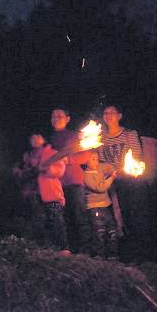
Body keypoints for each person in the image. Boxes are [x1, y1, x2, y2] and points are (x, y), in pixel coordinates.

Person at [99, 104, 146, 255]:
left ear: (119, 115)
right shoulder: (101, 139)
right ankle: (126, 253)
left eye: (112, 112)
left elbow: (137, 156)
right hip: (113, 184)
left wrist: (121, 170)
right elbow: (100, 161)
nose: (108, 116)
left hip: (131, 183)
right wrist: (109, 170)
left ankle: (142, 251)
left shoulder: (129, 134)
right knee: (119, 217)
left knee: (135, 213)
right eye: (105, 113)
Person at [49, 108, 92, 253]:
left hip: (74, 181)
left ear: (68, 119)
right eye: (53, 116)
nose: (56, 119)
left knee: (79, 216)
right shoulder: (50, 139)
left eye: (60, 116)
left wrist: (69, 159)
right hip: (56, 184)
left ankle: (85, 250)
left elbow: (86, 156)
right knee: (63, 217)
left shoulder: (75, 136)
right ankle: (68, 249)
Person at [83, 151, 119, 259]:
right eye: (92, 159)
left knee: (112, 231)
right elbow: (100, 188)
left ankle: (113, 256)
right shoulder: (86, 176)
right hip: (95, 208)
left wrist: (115, 170)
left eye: (97, 159)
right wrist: (111, 178)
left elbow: (108, 167)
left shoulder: (99, 169)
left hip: (105, 206)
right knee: (99, 232)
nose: (96, 161)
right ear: (86, 161)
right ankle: (99, 257)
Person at [37, 143, 70, 256]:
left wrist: (46, 168)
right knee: (41, 222)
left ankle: (63, 247)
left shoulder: (53, 154)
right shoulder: (30, 155)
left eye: (37, 136)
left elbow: (59, 171)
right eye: (32, 137)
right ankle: (46, 248)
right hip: (36, 195)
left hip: (52, 194)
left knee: (57, 221)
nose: (34, 139)